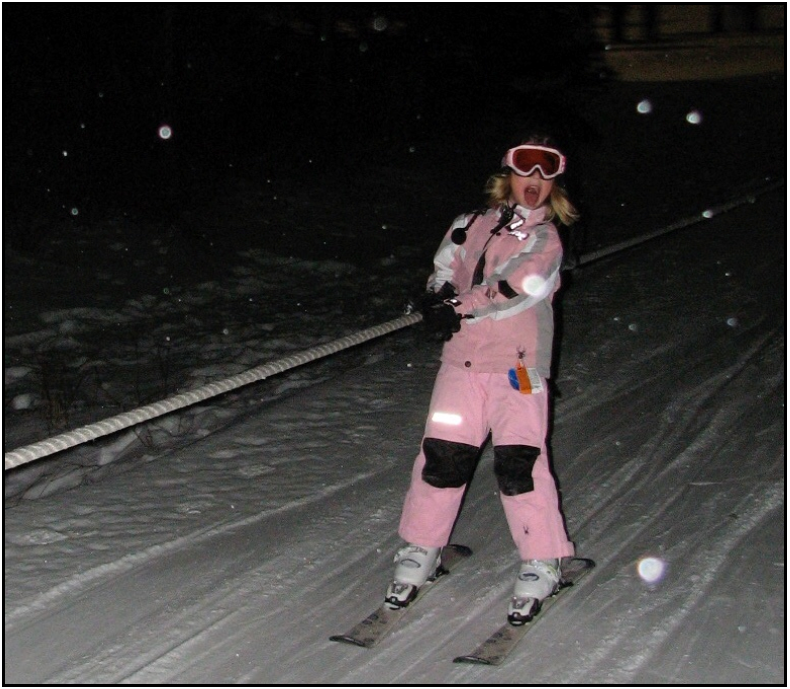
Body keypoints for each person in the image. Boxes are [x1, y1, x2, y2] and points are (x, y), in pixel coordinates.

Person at [386, 133, 580, 625]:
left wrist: (459, 307)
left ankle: (542, 560)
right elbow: (445, 269)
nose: (534, 182)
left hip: (518, 369)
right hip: (462, 367)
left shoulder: (546, 239)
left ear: (555, 181)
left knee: (520, 463)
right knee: (441, 457)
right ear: (507, 174)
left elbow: (515, 286)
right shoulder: (468, 224)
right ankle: (420, 550)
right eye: (524, 169)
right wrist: (437, 298)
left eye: (546, 172)